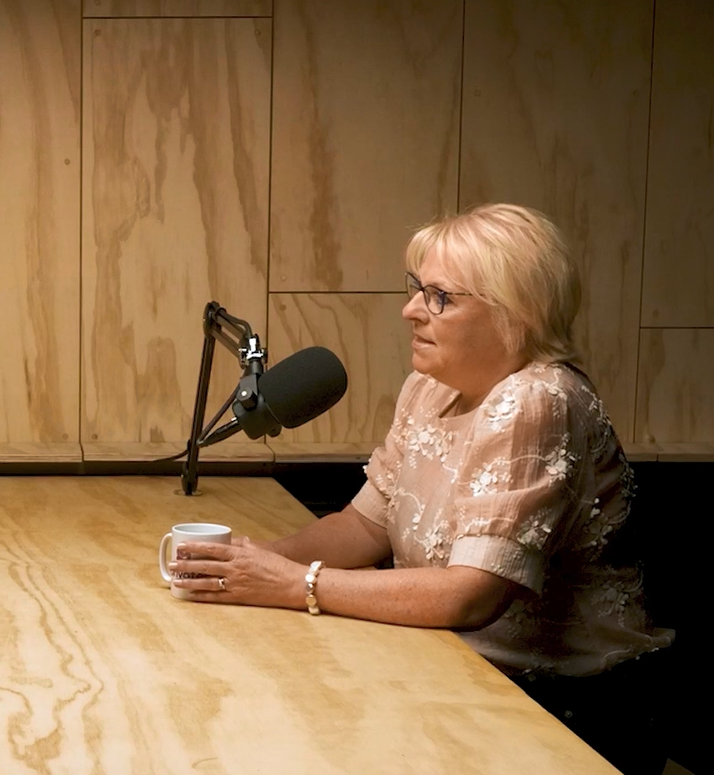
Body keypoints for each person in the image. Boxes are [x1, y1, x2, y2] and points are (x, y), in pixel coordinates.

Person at [168, 204, 674, 773]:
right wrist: (249, 560)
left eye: (440, 297)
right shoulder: (428, 388)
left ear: (516, 316)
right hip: (455, 671)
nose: (410, 310)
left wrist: (293, 584)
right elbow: (363, 526)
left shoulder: (537, 400)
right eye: (417, 289)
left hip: (566, 709)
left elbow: (469, 596)